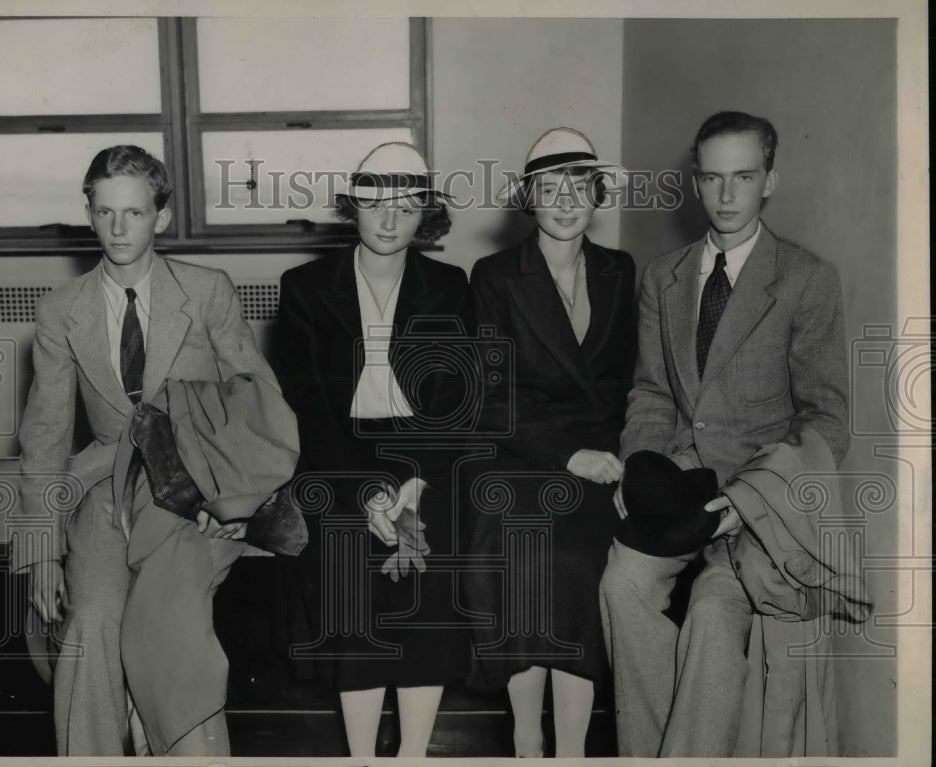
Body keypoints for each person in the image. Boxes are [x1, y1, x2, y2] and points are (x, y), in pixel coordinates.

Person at [12, 145, 300, 756]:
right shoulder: (62, 311)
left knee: (166, 624)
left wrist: (240, 503)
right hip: (104, 491)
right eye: (106, 212)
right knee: (90, 622)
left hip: (199, 495)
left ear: (160, 217)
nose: (119, 228)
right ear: (89, 214)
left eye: (135, 213)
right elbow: (44, 436)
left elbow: (259, 400)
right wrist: (39, 549)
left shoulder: (208, 292)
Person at [598, 111, 850, 757]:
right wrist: (641, 468)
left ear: (771, 179)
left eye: (744, 176)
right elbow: (653, 392)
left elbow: (826, 418)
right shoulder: (664, 276)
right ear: (696, 182)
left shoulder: (806, 278)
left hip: (762, 504)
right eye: (712, 178)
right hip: (682, 486)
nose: (727, 195)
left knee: (712, 611)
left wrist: (750, 500)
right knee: (621, 585)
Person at [271, 142, 472, 757]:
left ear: (425, 218)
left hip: (424, 461)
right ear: (352, 208)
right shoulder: (306, 287)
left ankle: (412, 754)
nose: (388, 220)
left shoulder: (449, 286)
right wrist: (368, 495)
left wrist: (411, 487)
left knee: (428, 560)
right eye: (375, 205)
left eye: (406, 207)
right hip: (337, 458)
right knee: (346, 559)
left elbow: (452, 410)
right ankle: (360, 757)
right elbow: (306, 409)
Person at [463, 127, 637, 757]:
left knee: (582, 564)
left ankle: (569, 750)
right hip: (520, 455)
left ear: (597, 196)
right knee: (526, 554)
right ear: (528, 199)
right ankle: (527, 737)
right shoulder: (494, 275)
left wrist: (616, 460)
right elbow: (489, 396)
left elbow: (632, 384)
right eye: (550, 188)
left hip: (602, 457)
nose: (566, 201)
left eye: (581, 187)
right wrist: (568, 457)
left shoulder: (621, 270)